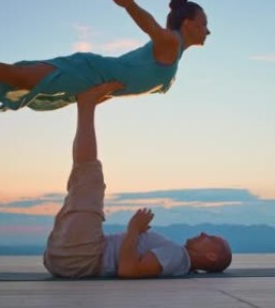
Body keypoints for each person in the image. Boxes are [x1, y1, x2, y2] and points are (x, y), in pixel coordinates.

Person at [0, 0, 210, 112]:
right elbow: (151, 27)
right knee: (19, 77)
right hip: (89, 71)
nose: (208, 30)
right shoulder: (171, 41)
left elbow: (124, 84)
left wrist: (93, 101)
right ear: (188, 24)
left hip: (91, 84)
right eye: (204, 22)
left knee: (16, 81)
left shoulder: (175, 54)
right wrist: (130, 5)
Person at [43, 82, 232, 278]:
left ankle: (87, 103)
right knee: (84, 175)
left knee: (88, 176)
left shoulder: (177, 256)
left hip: (82, 257)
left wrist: (134, 229)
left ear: (210, 256)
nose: (203, 233)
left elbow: (128, 270)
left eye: (210, 238)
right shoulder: (178, 259)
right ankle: (87, 105)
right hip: (76, 256)